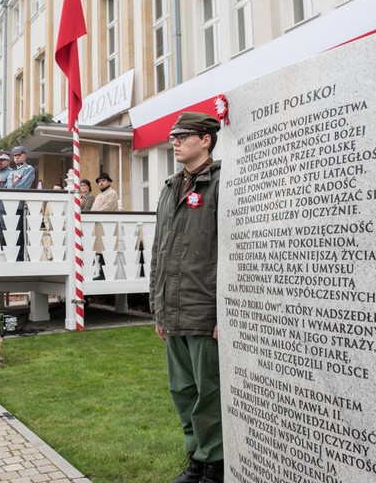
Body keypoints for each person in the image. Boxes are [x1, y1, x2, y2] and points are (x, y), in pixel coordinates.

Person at [149, 112, 224, 483]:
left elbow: (231, 251)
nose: (174, 141)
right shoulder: (169, 187)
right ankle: (195, 457)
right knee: (182, 390)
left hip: (203, 308)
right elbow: (159, 251)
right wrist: (156, 308)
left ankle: (215, 463)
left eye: (183, 135)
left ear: (206, 139)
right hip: (172, 309)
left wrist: (225, 313)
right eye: (173, 135)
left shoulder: (220, 182)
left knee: (208, 392)